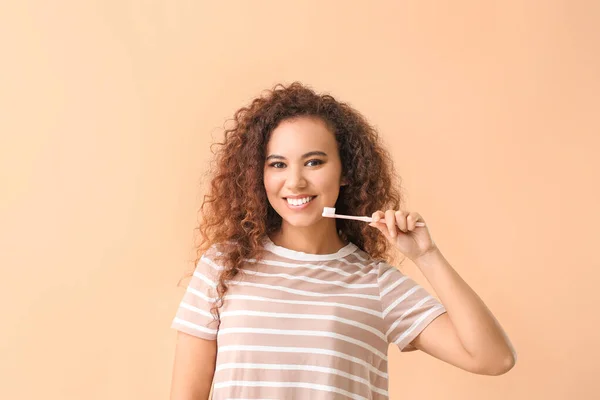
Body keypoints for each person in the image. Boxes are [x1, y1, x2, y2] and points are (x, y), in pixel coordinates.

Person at [169, 82, 516, 400]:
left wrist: (427, 255)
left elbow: (493, 357)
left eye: (314, 162)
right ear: (258, 175)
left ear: (346, 171)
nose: (295, 182)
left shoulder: (377, 284)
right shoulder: (224, 266)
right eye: (278, 164)